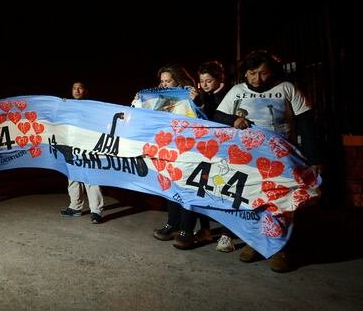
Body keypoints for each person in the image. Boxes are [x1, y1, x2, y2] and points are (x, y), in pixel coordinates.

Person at [214, 49, 320, 272]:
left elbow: (307, 124)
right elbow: (218, 116)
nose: (257, 79)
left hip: (281, 158)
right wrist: (233, 120)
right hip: (247, 158)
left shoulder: (287, 89)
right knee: (252, 201)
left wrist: (313, 159)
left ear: (272, 72)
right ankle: (256, 244)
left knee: (280, 203)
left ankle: (281, 249)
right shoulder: (236, 91)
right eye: (252, 73)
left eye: (262, 73)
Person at [133, 64, 207, 250]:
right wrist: (138, 101)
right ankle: (172, 224)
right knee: (171, 187)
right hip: (168, 150)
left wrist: (197, 101)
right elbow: (141, 114)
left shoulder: (191, 94)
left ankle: (186, 230)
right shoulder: (159, 98)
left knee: (187, 189)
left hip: (189, 150)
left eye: (169, 81)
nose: (165, 84)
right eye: (163, 81)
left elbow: (204, 116)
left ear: (178, 80)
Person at [194, 60, 237, 252]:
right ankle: (205, 229)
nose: (204, 84)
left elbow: (216, 117)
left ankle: (228, 234)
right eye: (202, 81)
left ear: (220, 79)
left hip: (228, 151)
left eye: (208, 80)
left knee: (228, 192)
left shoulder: (231, 94)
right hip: (207, 150)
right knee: (203, 188)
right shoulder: (204, 95)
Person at [59, 81, 104, 224]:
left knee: (91, 178)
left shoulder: (92, 106)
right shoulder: (67, 106)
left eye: (80, 88)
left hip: (88, 146)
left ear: (85, 91)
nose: (77, 90)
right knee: (73, 177)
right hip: (71, 145)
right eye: (74, 88)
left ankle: (96, 211)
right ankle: (75, 207)